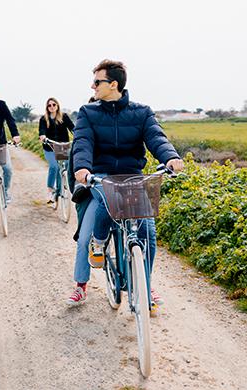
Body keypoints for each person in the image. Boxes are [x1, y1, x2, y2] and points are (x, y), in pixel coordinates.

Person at [66, 59, 184, 306]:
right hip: (101, 177)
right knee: (99, 215)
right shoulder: (88, 113)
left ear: (114, 84)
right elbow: (83, 142)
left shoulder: (141, 112)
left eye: (97, 81)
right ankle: (97, 245)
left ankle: (145, 285)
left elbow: (156, 137)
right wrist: (83, 168)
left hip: (133, 177)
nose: (93, 86)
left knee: (148, 234)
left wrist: (171, 157)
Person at [38, 97, 75, 203]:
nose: (52, 107)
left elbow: (72, 127)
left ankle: (59, 190)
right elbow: (42, 130)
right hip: (50, 147)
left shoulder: (64, 117)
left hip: (63, 146)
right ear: (47, 107)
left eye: (54, 105)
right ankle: (50, 191)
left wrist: (77, 134)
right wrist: (43, 136)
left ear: (57, 105)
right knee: (54, 166)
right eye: (49, 105)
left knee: (64, 167)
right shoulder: (44, 119)